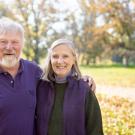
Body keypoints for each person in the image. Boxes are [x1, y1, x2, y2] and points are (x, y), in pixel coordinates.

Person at [0, 17, 96, 135]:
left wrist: (83, 79)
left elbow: (58, 76)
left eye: (14, 42)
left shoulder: (33, 71)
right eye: (3, 42)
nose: (9, 47)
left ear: (22, 45)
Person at [36, 39, 104, 135]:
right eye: (55, 56)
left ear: (74, 59)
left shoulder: (84, 90)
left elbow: (95, 130)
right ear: (50, 59)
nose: (60, 61)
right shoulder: (40, 87)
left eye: (65, 56)